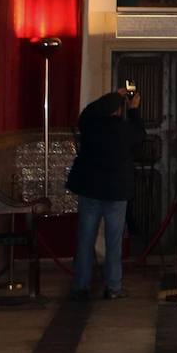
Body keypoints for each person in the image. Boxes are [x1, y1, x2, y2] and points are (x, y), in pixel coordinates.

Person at [66, 88, 145, 300]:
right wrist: (134, 109)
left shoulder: (90, 126)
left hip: (90, 190)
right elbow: (140, 135)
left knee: (84, 240)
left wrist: (112, 95)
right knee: (114, 242)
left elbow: (85, 113)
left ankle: (80, 286)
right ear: (119, 111)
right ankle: (113, 287)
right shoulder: (125, 130)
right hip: (116, 192)